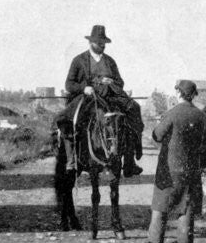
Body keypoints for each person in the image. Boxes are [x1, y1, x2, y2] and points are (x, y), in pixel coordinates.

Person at [56, 25, 144, 175]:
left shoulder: (110, 61)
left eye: (104, 43)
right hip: (88, 96)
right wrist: (84, 88)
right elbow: (69, 84)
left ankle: (130, 161)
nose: (102, 45)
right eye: (99, 42)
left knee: (134, 109)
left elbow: (120, 82)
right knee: (66, 119)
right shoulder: (79, 60)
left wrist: (112, 83)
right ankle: (72, 160)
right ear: (90, 42)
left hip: (111, 96)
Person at [149, 80, 206, 243]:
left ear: (179, 93)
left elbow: (157, 136)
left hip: (169, 168)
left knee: (161, 203)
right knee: (187, 204)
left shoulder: (172, 113)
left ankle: (156, 238)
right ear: (193, 95)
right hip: (192, 170)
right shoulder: (202, 117)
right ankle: (184, 239)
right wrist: (202, 166)